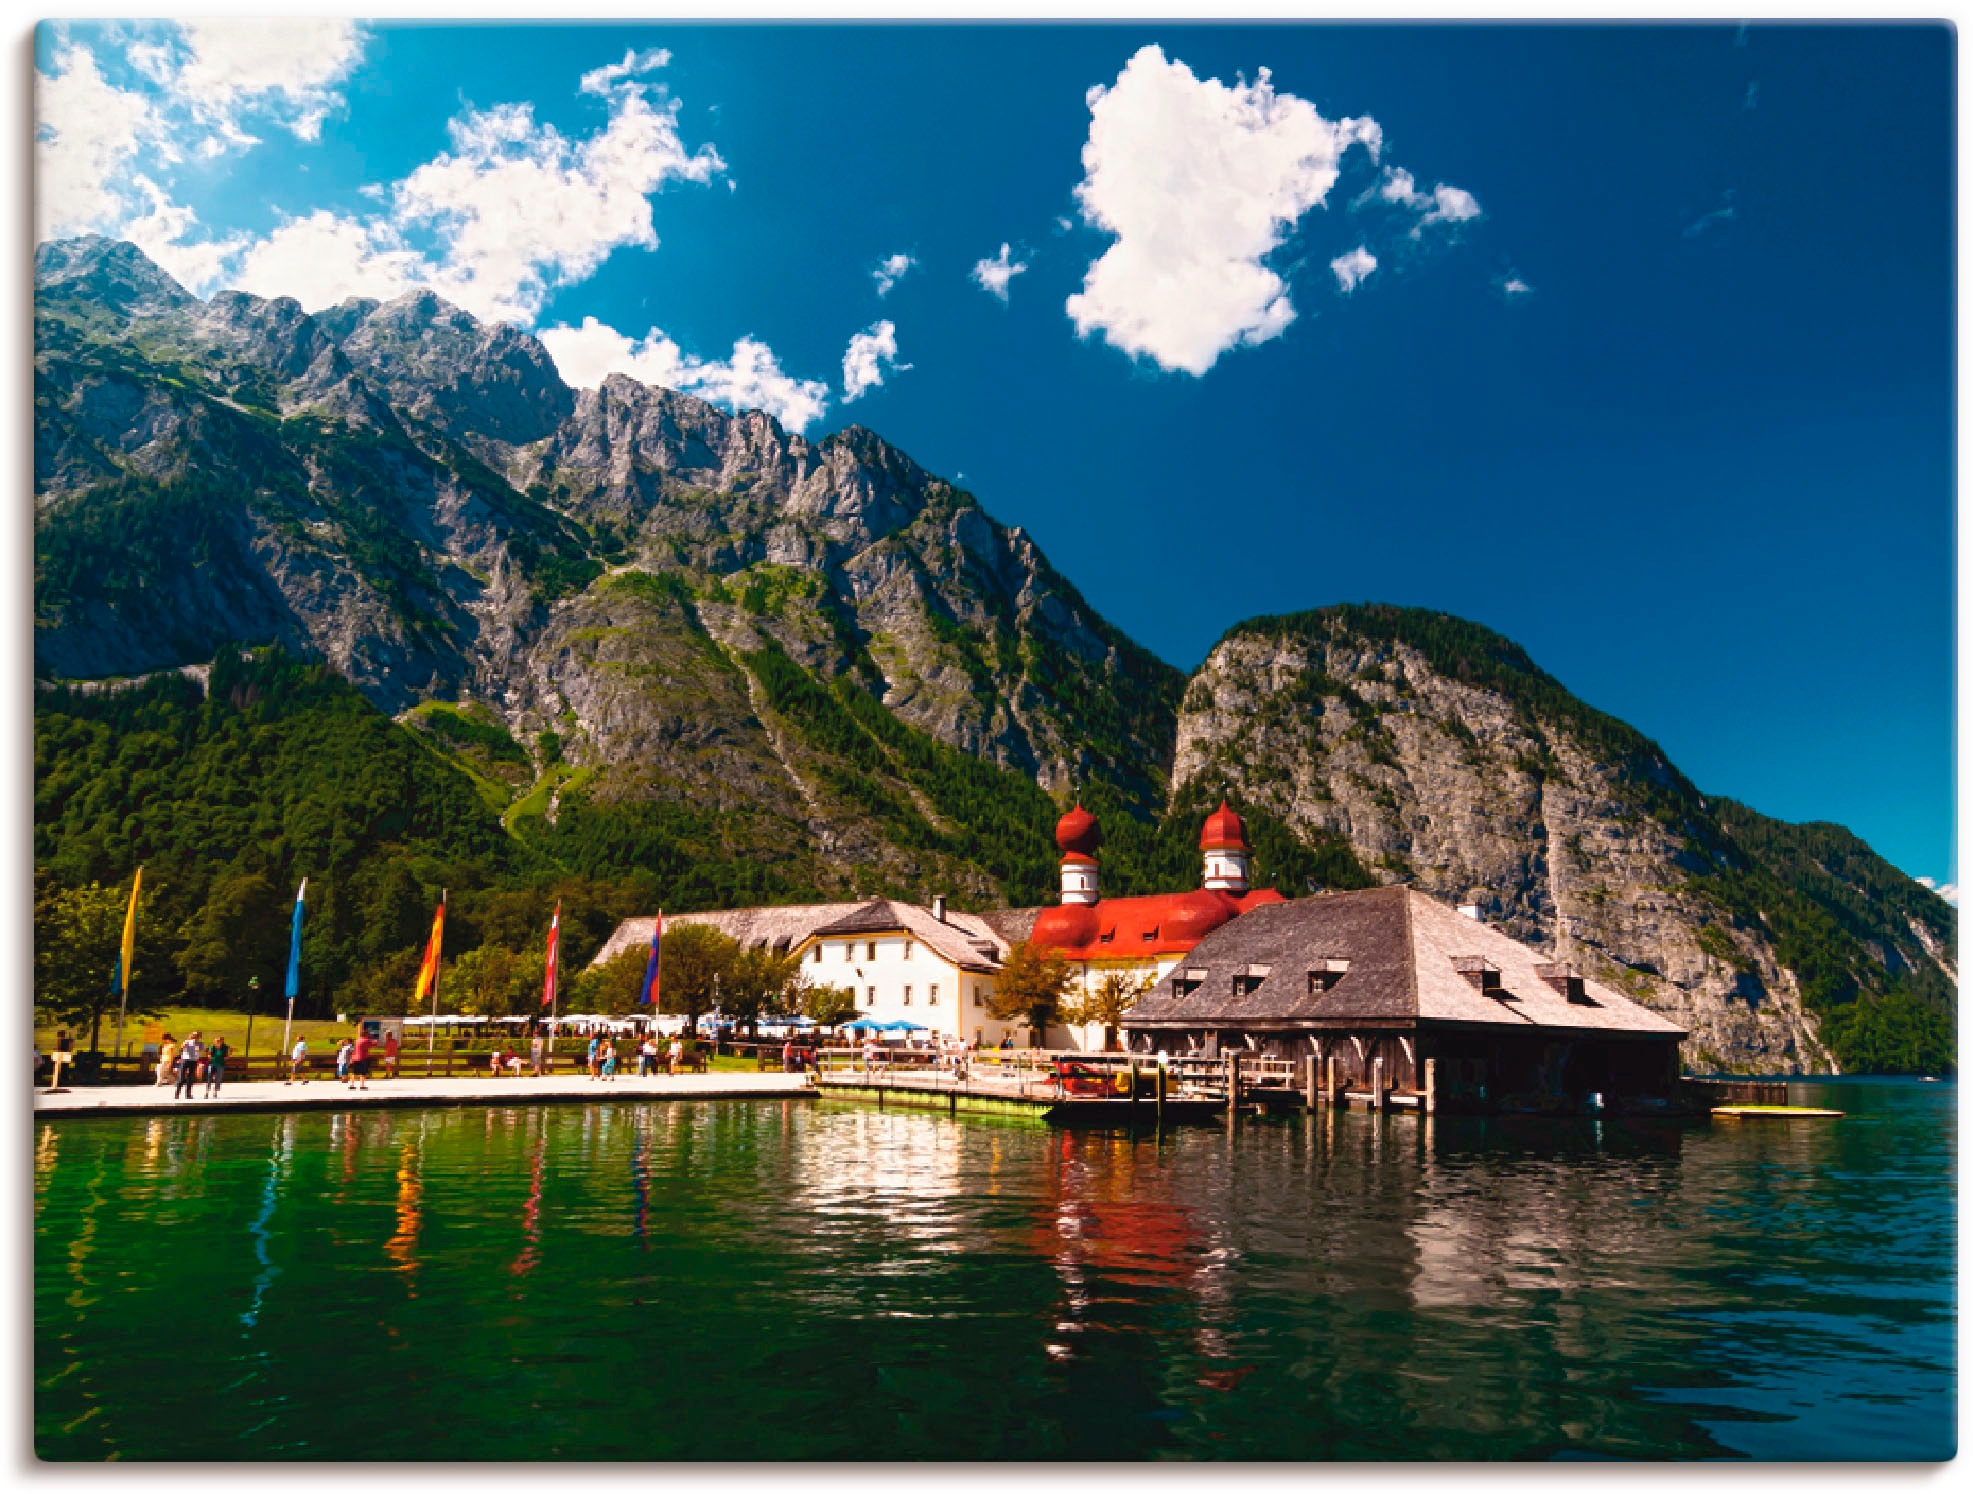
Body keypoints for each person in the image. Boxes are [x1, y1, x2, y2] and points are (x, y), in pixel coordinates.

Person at [174, 1032, 203, 1100]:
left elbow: (200, 1049)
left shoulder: (200, 1043)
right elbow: (181, 1048)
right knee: (181, 1077)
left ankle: (188, 1094)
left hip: (193, 1061)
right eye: (194, 1036)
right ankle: (177, 1094)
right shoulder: (187, 1041)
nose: (195, 1037)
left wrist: (196, 1044)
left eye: (197, 1036)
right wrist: (184, 1045)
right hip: (185, 1060)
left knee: (190, 1078)